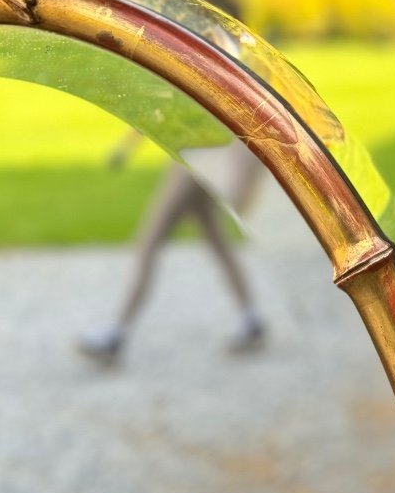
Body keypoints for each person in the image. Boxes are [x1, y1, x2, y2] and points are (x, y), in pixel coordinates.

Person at [76, 135, 267, 364]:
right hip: (201, 155)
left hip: (191, 158)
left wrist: (125, 148)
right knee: (215, 239)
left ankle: (116, 332)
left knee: (149, 242)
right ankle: (251, 318)